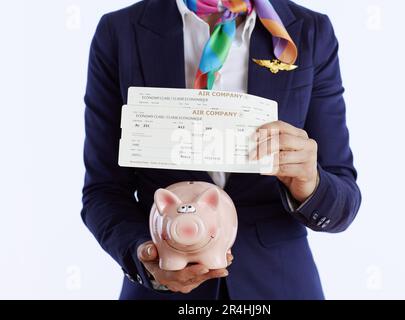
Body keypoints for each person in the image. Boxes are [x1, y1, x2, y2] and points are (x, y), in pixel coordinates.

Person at [82, 0, 361, 300]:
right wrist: (144, 255)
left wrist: (311, 185)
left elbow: (344, 199)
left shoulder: (311, 32)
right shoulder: (119, 33)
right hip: (164, 285)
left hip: (279, 283)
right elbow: (103, 191)